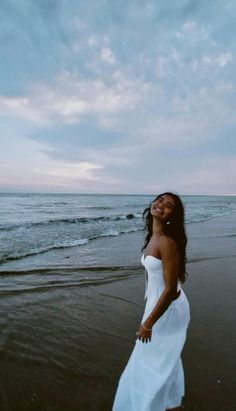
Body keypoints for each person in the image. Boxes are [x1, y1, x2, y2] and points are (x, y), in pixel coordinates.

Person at [112, 192, 190, 411]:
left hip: (170, 308)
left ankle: (155, 404)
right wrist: (148, 297)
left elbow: (170, 289)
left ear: (172, 215)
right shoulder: (153, 236)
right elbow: (152, 272)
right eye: (160, 200)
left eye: (169, 205)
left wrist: (148, 324)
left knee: (155, 360)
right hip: (158, 302)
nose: (161, 205)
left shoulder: (167, 242)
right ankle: (171, 404)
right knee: (163, 359)